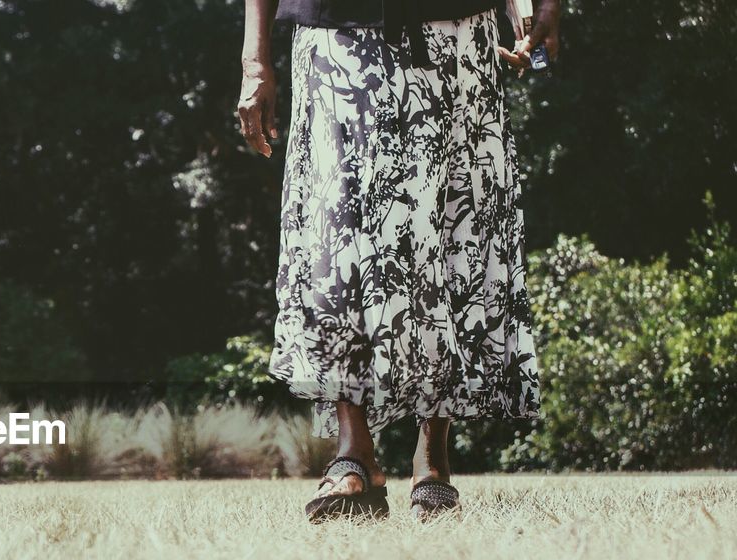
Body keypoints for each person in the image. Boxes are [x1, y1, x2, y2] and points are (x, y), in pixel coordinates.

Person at [238, 0, 560, 521]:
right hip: (334, 36)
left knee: (453, 225)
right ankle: (354, 455)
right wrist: (256, 61)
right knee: (338, 235)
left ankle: (432, 457)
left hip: (454, 34)